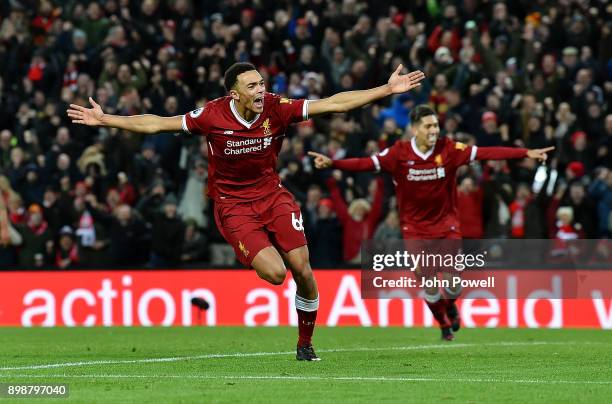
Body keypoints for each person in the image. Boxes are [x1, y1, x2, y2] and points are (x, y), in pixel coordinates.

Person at [67, 61, 425, 360]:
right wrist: (107, 119)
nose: (259, 90)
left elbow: (333, 103)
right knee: (275, 274)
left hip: (272, 195)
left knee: (302, 268)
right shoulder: (211, 115)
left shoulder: (276, 107)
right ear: (233, 93)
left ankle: (305, 344)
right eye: (251, 85)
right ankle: (275, 279)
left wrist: (385, 90)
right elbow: (156, 122)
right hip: (233, 205)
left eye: (261, 83)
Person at [309, 105, 554, 341]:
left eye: (436, 125)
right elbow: (366, 163)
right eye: (428, 126)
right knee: (429, 285)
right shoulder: (399, 153)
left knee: (454, 285)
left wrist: (525, 153)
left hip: (446, 225)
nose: (434, 130)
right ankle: (445, 324)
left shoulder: (449, 149)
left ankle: (450, 306)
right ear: (415, 129)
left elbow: (486, 152)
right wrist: (334, 163)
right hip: (415, 229)